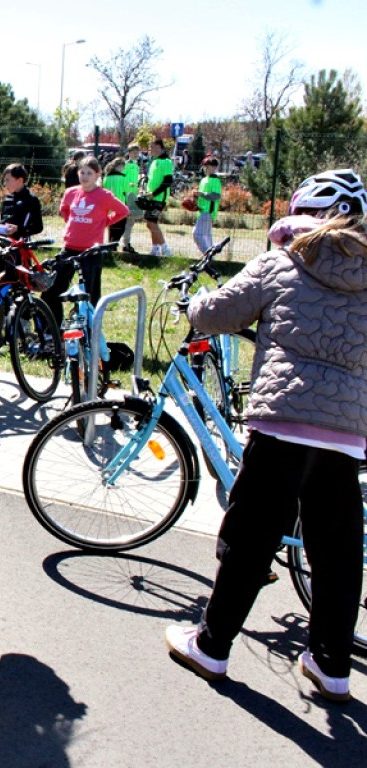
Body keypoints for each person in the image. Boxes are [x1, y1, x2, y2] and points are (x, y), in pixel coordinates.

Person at [165, 168, 367, 704]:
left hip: (283, 421)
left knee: (252, 540)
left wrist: (193, 304)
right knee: (338, 552)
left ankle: (210, 646)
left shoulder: (281, 262)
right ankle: (331, 665)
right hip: (347, 433)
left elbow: (216, 313)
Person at [41, 156, 129, 327]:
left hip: (91, 252)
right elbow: (64, 209)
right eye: (82, 172)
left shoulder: (104, 195)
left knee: (90, 294)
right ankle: (51, 330)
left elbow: (122, 211)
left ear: (97, 175)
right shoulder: (71, 192)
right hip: (69, 248)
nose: (85, 176)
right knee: (52, 290)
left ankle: (89, 332)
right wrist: (71, 222)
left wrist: (103, 222)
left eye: (89, 173)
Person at [143, 138, 174, 257]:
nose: (151, 150)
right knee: (150, 223)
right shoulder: (154, 162)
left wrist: (154, 193)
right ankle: (155, 249)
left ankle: (165, 249)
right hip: (151, 197)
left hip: (159, 198)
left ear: (159, 147)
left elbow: (168, 181)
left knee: (152, 223)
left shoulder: (166, 161)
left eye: (153, 147)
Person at [0, 163, 43, 239]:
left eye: (7, 180)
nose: (5, 184)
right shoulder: (7, 198)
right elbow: (5, 220)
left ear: (19, 180)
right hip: (4, 243)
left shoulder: (31, 199)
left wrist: (18, 229)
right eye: (4, 180)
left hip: (21, 244)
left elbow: (38, 227)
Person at [192, 155, 222, 254]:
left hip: (208, 211)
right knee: (207, 236)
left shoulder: (215, 180)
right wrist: (196, 197)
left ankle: (208, 255)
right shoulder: (204, 180)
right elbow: (201, 194)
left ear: (214, 167)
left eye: (208, 167)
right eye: (205, 167)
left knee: (197, 234)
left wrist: (202, 194)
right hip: (201, 211)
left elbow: (216, 196)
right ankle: (212, 256)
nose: (206, 169)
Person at [120, 143, 143, 254]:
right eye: (133, 152)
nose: (136, 154)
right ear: (129, 153)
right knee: (129, 219)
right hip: (127, 194)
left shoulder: (137, 166)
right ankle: (125, 243)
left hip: (133, 195)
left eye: (137, 152)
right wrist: (129, 185)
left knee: (131, 221)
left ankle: (126, 243)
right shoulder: (126, 165)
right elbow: (123, 178)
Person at [102, 156, 129, 247]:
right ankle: (114, 243)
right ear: (120, 166)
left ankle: (110, 245)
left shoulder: (106, 177)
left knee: (111, 227)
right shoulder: (123, 178)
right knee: (121, 227)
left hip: (109, 206)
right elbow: (127, 191)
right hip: (120, 206)